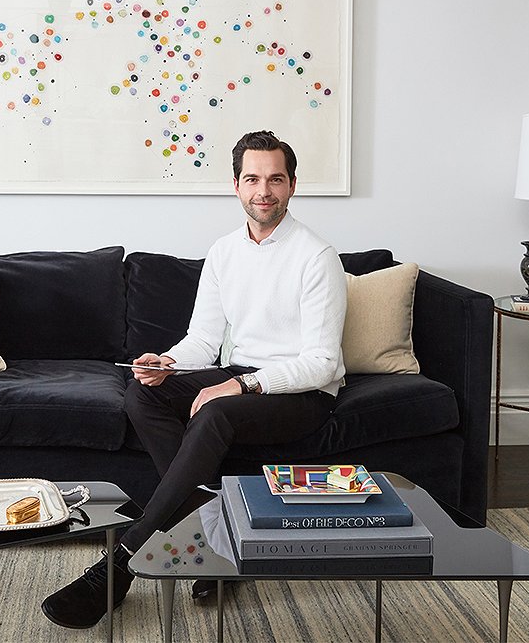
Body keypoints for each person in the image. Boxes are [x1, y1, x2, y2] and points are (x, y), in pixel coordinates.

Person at [41, 130, 348, 629]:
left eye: (275, 179)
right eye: (252, 179)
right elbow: (202, 341)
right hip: (240, 377)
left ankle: (121, 564)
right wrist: (164, 362)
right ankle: (218, 533)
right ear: (235, 185)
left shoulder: (317, 257)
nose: (263, 191)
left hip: (302, 393)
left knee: (215, 410)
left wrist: (241, 385)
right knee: (142, 393)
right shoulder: (225, 251)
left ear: (293, 186)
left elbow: (322, 363)